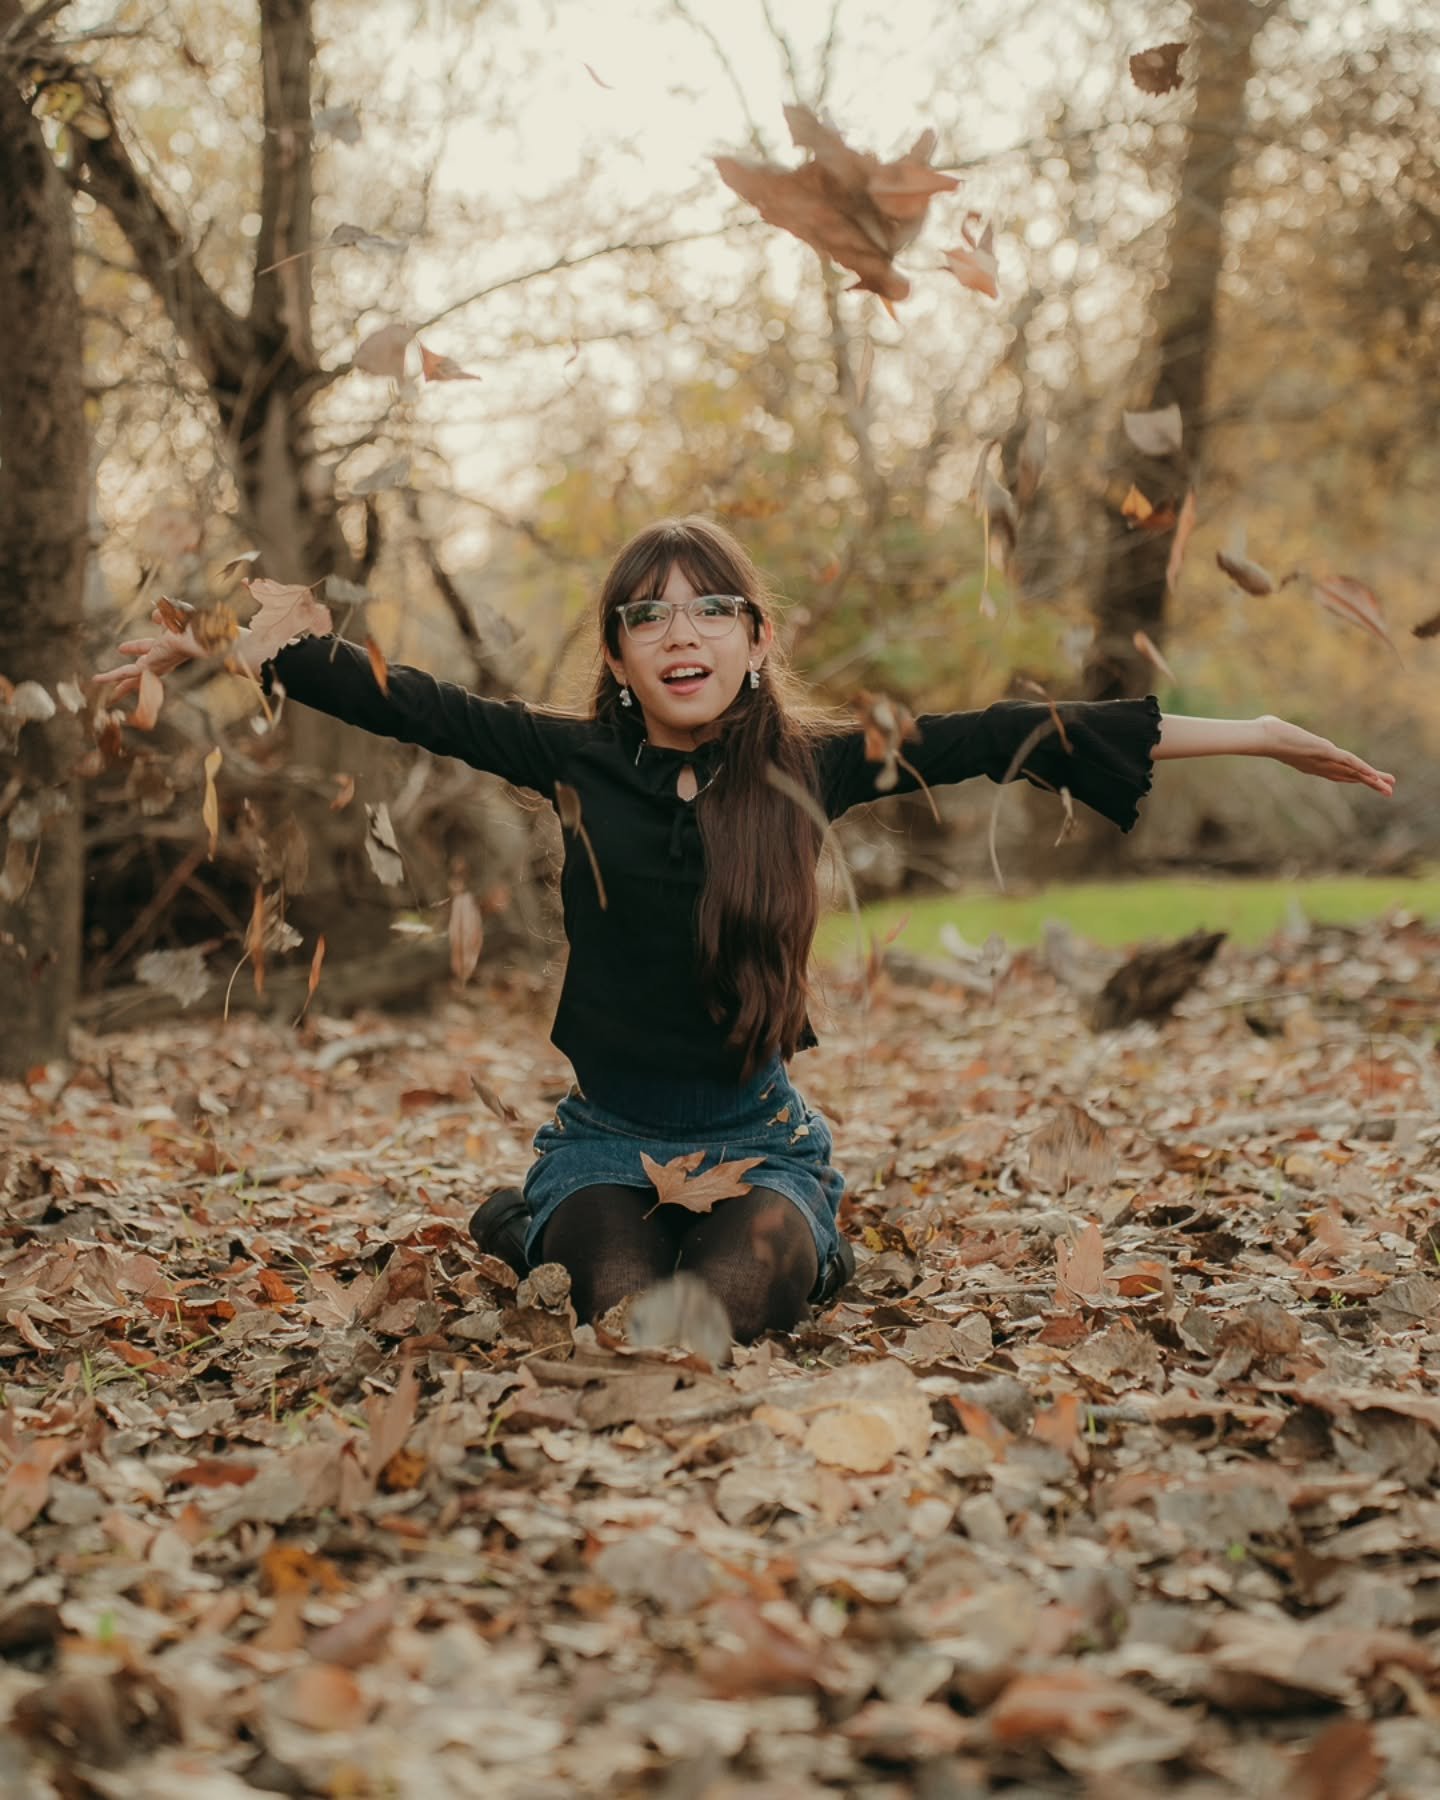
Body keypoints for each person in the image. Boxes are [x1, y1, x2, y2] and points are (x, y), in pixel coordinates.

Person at [97, 516, 1395, 1349]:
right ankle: (537, 1212)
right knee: (620, 1308)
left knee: (720, 1311)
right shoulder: (569, 759)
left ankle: (783, 1232)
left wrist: (1260, 733)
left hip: (755, 1135)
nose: (680, 633)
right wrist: (206, 632)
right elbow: (404, 700)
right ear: (615, 652)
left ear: (757, 640)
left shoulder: (810, 768)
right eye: (648, 614)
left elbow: (1012, 735)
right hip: (609, 1133)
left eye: (709, 609)